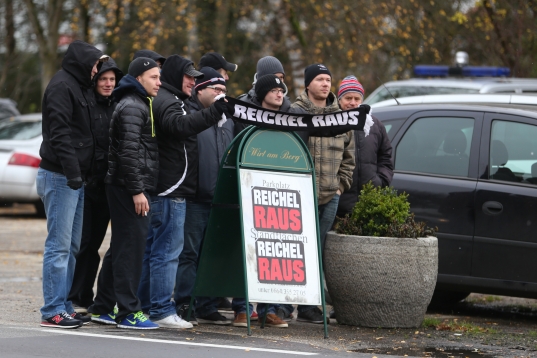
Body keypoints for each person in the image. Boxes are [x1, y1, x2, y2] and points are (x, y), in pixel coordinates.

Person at [137, 56, 229, 329]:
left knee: (155, 252)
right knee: (167, 253)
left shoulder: (169, 99)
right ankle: (162, 309)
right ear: (176, 76)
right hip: (171, 190)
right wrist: (216, 111)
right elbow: (181, 127)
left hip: (170, 189)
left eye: (195, 77)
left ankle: (146, 307)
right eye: (189, 77)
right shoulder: (168, 100)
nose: (193, 81)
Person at [37, 40, 108, 329]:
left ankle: (63, 304)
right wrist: (73, 172)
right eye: (94, 64)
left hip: (77, 179)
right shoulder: (61, 87)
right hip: (60, 177)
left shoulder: (80, 86)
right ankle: (52, 310)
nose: (96, 70)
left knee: (72, 246)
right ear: (82, 62)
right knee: (59, 246)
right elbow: (60, 134)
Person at [89, 57, 161, 330]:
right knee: (131, 249)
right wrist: (137, 190)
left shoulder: (139, 103)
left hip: (124, 185)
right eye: (154, 77)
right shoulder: (133, 106)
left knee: (121, 246)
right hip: (127, 186)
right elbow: (127, 153)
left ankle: (102, 306)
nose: (159, 82)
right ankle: (129, 312)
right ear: (139, 77)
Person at [289, 63, 355, 324]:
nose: (326, 84)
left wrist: (340, 186)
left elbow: (349, 158)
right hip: (299, 195)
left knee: (316, 250)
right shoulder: (294, 112)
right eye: (319, 79)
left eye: (328, 79)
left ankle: (308, 307)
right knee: (295, 251)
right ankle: (284, 307)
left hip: (330, 195)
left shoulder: (341, 116)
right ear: (308, 84)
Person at [174, 67, 235, 326]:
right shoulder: (188, 114)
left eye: (224, 90)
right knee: (189, 253)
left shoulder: (228, 119)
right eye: (216, 90)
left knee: (213, 254)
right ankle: (184, 302)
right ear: (200, 90)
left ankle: (208, 304)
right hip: (195, 197)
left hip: (220, 199)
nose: (221, 94)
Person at [68, 59, 123, 313]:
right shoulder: (87, 104)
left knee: (99, 243)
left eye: (112, 79)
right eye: (103, 79)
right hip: (88, 184)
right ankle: (77, 293)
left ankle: (91, 295)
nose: (108, 84)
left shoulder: (118, 106)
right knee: (84, 243)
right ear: (95, 80)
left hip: (108, 185)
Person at [336, 75, 393, 218]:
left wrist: (380, 181)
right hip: (338, 202)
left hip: (369, 202)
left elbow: (386, 156)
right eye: (348, 98)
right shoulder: (332, 123)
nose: (353, 103)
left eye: (357, 98)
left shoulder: (374, 124)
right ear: (339, 100)